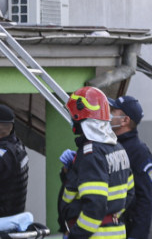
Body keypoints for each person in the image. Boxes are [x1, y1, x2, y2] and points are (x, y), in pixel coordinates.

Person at [58, 86, 134, 239]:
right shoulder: (117, 148)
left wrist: (76, 235)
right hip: (114, 232)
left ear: (80, 118)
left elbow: (95, 206)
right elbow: (129, 192)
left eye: (73, 116)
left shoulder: (91, 154)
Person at [109, 95, 152, 239]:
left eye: (113, 111)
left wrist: (138, 236)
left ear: (125, 120)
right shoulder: (109, 144)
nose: (108, 113)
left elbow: (145, 199)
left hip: (127, 229)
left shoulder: (139, 152)